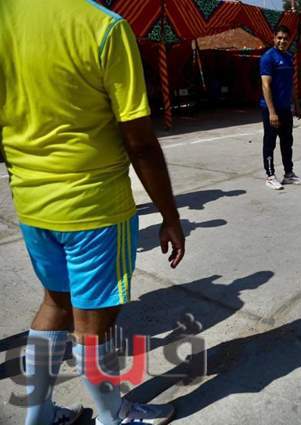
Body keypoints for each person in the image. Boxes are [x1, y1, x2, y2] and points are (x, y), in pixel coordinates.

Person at [0, 1, 185, 424]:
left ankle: (39, 416)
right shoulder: (104, 27)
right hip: (94, 207)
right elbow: (139, 140)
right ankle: (112, 415)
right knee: (92, 325)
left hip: (32, 202)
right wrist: (170, 216)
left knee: (55, 304)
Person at [259, 25, 301, 190]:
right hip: (271, 109)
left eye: (285, 38)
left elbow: (291, 84)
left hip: (286, 108)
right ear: (274, 38)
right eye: (279, 38)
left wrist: (297, 105)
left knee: (287, 142)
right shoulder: (268, 58)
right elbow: (265, 85)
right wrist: (272, 112)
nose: (282, 41)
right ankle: (270, 176)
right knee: (270, 142)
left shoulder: (288, 57)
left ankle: (289, 174)